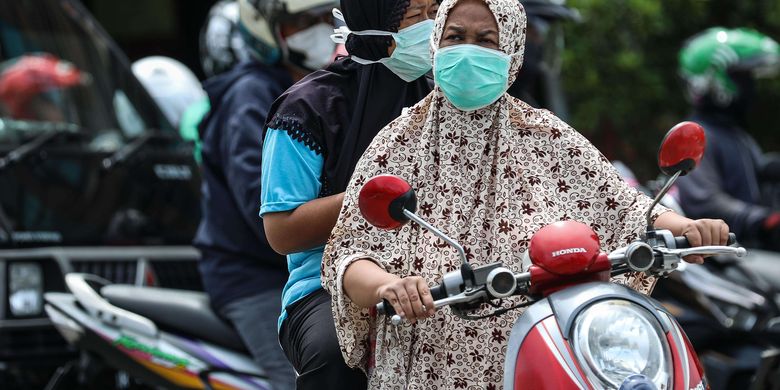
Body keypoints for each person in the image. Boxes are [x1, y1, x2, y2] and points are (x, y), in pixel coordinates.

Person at [320, 0, 730, 388]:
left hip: (550, 356)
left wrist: (691, 229)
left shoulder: (547, 135)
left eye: (486, 40)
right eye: (455, 36)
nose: (468, 51)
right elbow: (349, 254)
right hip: (428, 362)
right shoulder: (398, 142)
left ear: (513, 49)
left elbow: (626, 208)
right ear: (435, 44)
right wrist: (388, 286)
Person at [259, 0, 439, 387]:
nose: (429, 28)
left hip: (439, 273)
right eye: (413, 17)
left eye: (434, 12)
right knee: (333, 354)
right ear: (374, 22)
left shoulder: (447, 99)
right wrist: (371, 196)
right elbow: (282, 231)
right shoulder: (307, 108)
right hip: (325, 287)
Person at [192, 0, 338, 388]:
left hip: (311, 270)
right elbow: (262, 205)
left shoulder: (323, 88)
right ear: (268, 31)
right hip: (253, 276)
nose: (321, 29)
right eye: (304, 22)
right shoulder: (252, 95)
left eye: (328, 18)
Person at [675, 27, 780, 251]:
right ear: (714, 80)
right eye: (742, 77)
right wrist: (764, 221)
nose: (751, 86)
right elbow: (706, 202)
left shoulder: (735, 134)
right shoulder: (696, 136)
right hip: (729, 253)